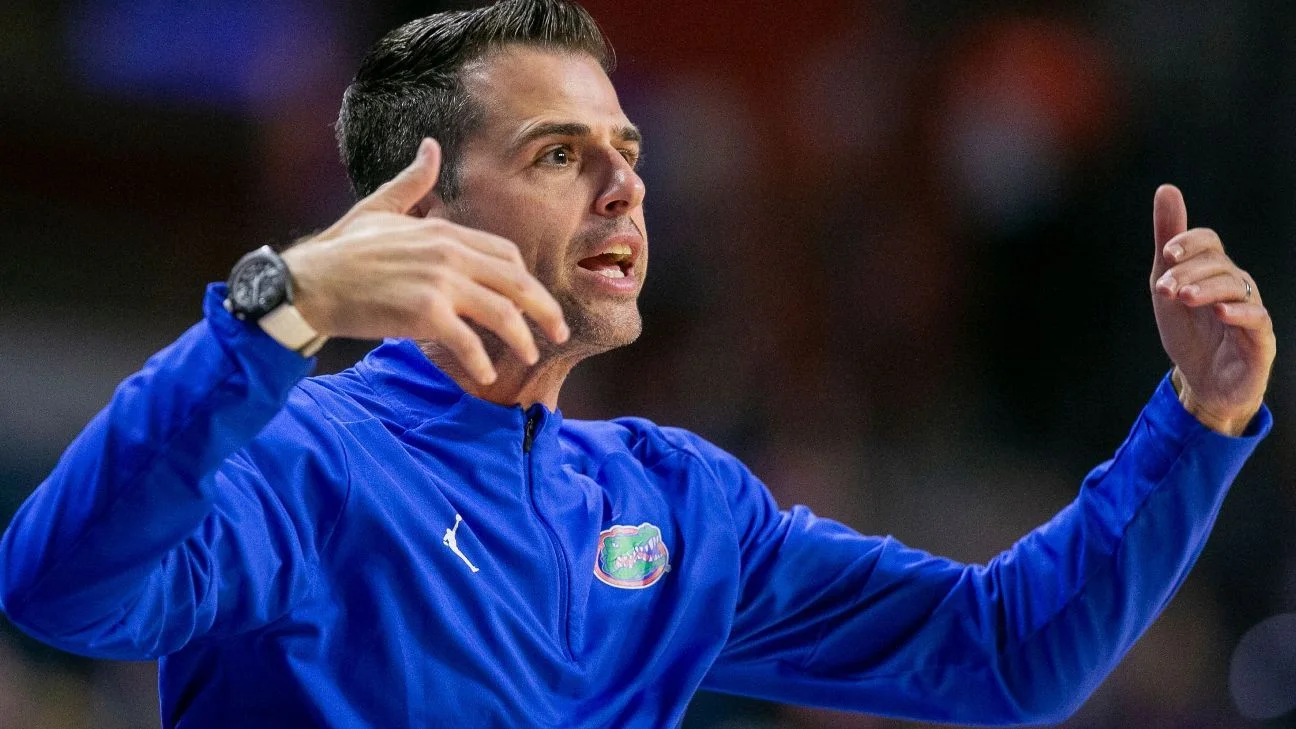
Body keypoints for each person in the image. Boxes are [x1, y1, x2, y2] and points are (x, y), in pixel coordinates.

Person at [0, 1, 1276, 727]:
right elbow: (57, 587)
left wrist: (1198, 419)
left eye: (630, 150)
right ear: (424, 207)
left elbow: (1001, 656)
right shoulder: (301, 462)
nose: (625, 186)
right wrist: (279, 307)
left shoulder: (677, 502)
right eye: (562, 154)